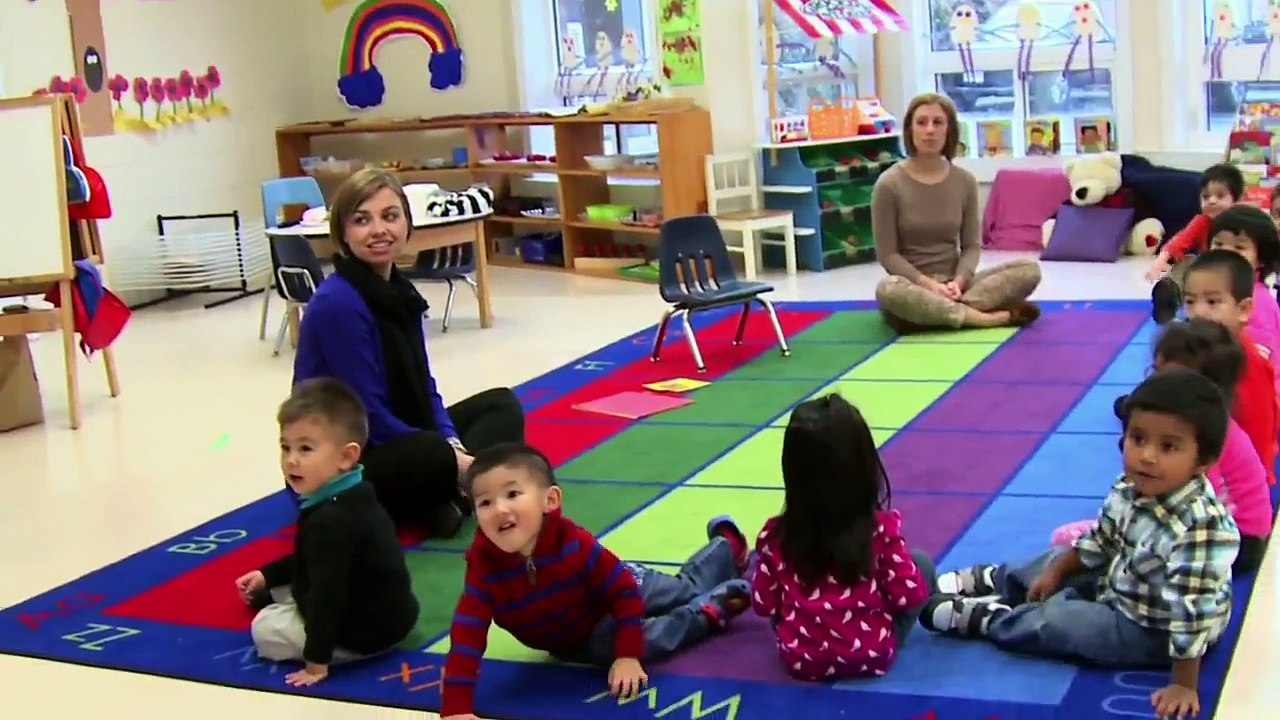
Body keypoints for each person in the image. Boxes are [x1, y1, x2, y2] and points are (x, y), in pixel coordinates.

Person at [921, 369, 1241, 719]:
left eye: (1168, 446)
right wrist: (1056, 572)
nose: (1147, 456)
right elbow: (1100, 540)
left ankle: (996, 619)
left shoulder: (1202, 528)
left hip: (1152, 629)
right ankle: (1000, 579)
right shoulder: (1133, 485)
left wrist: (1183, 683)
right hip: (1124, 580)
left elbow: (1189, 612)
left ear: (1203, 461)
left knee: (1064, 623)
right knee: (1060, 556)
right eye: (1137, 438)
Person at [440, 443, 751, 720]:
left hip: (620, 587)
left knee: (681, 590)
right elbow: (468, 632)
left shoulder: (573, 543)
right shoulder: (484, 567)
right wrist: (456, 707)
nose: (500, 509)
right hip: (577, 638)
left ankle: (725, 548)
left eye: (512, 494)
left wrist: (626, 656)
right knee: (648, 641)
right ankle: (706, 613)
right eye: (485, 503)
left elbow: (624, 592)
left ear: (549, 500)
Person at [292, 168, 525, 538]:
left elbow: (425, 385)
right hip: (343, 461)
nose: (378, 230)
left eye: (390, 216)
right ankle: (451, 493)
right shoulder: (339, 302)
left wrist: (452, 443)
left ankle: (442, 498)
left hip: (400, 436)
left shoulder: (398, 292)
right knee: (430, 454)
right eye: (362, 220)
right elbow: (367, 416)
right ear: (344, 232)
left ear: (406, 223)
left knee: (501, 406)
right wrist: (450, 459)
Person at [234, 378, 419, 687]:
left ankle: (299, 622)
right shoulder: (354, 492)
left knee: (265, 630)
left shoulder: (328, 521)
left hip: (363, 634)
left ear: (346, 457)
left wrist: (316, 663)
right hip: (396, 615)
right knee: (299, 582)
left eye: (306, 448)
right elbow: (313, 559)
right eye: (286, 447)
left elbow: (326, 595)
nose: (291, 459)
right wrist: (268, 574)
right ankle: (284, 599)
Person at [751, 394, 935, 680]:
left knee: (787, 591)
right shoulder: (880, 531)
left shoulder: (777, 537)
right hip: (873, 654)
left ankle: (811, 632)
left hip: (800, 659)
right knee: (921, 564)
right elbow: (908, 594)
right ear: (863, 467)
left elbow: (763, 604)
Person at [871, 92, 1042, 333]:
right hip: (913, 287)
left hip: (959, 286)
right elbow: (888, 256)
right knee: (887, 289)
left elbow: (971, 245)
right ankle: (988, 319)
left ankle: (941, 313)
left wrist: (959, 281)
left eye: (938, 122)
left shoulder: (964, 181)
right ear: (910, 130)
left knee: (1028, 270)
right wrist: (928, 285)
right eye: (921, 122)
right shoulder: (888, 184)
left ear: (949, 130)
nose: (929, 130)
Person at [1113, 319, 1270, 571]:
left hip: (1241, 539)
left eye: (1172, 378)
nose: (1158, 385)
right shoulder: (1190, 421)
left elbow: (1194, 498)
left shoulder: (1214, 435)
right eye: (1155, 372)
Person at [1183, 249, 1278, 484]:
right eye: (1190, 301)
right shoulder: (1203, 346)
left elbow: (1259, 435)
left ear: (1244, 310)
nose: (1198, 312)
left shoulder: (1245, 365)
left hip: (1239, 482)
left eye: (1213, 302)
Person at [1144, 163, 1244, 324]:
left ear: (1237, 199)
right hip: (1207, 269)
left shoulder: (1242, 222)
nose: (1211, 201)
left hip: (1235, 272)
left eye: (1220, 196)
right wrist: (1160, 260)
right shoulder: (1202, 221)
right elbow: (1181, 240)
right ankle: (1170, 292)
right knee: (1188, 261)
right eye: (1205, 197)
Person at [1202, 203, 1280, 366]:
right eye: (1218, 244)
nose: (1225, 252)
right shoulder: (1211, 289)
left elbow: (1259, 360)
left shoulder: (1258, 302)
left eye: (1239, 247)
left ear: (1261, 258)